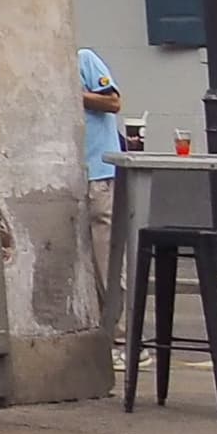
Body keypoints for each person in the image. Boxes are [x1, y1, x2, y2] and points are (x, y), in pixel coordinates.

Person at [79, 42, 125, 318]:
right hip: (72, 176)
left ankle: (120, 334)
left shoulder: (84, 59)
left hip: (99, 174)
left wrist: (74, 94)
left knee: (107, 260)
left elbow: (113, 102)